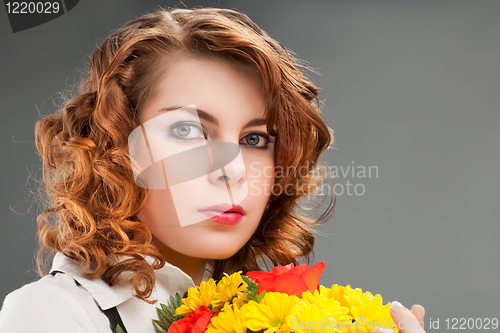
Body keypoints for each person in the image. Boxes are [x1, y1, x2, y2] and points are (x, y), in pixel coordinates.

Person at [0, 6, 426, 333]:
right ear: (116, 146)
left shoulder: (279, 314)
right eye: (188, 130)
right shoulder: (53, 313)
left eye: (256, 139)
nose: (233, 170)